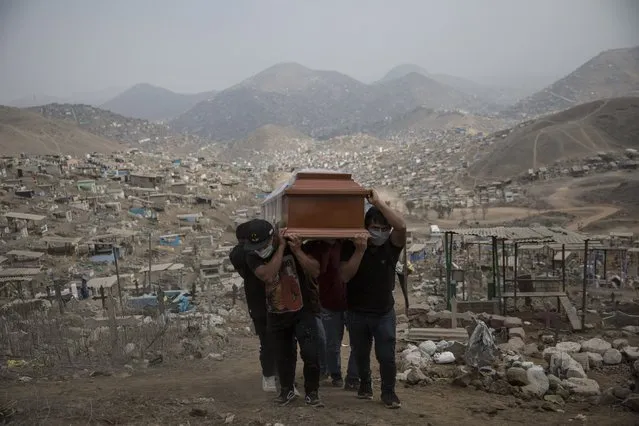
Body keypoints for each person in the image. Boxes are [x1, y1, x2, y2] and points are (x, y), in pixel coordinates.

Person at [244, 219, 324, 407]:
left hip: (302, 311)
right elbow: (267, 275)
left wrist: (296, 250)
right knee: (283, 356)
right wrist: (280, 248)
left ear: (272, 237)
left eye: (263, 244)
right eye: (256, 246)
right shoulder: (252, 256)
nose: (260, 248)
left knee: (311, 354)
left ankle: (312, 392)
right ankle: (287, 391)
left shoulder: (293, 246)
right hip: (276, 313)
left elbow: (315, 270)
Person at [340, 189, 406, 409]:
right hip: (357, 312)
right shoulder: (351, 246)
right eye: (374, 228)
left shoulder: (391, 246)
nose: (380, 233)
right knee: (360, 354)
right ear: (366, 229)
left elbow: (401, 226)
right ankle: (365, 385)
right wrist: (359, 251)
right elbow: (345, 275)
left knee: (386, 356)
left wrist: (379, 203)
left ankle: (389, 393)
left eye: (383, 228)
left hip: (383, 312)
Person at [229, 219, 278, 393]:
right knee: (267, 341)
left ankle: (276, 374)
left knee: (276, 341)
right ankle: (269, 376)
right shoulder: (241, 254)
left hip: (265, 302)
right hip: (260, 303)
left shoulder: (247, 252)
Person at [304, 238, 359, 390]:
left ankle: (353, 377)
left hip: (353, 303)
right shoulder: (317, 247)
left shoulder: (351, 245)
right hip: (329, 303)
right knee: (332, 344)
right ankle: (335, 375)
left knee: (358, 343)